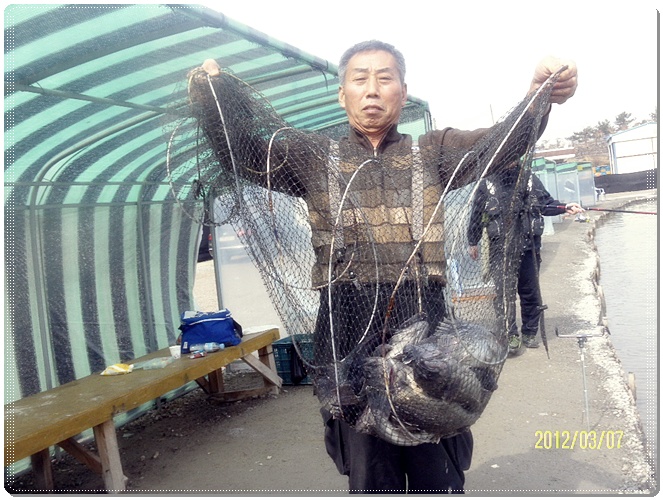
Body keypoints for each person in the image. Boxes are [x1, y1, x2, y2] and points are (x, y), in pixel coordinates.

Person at [190, 40, 578, 494]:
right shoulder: (312, 156)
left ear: (403, 92)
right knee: (370, 467)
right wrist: (211, 100)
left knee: (436, 455)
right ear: (343, 94)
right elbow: (243, 154)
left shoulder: (433, 151)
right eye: (360, 79)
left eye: (384, 78)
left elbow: (501, 142)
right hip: (345, 321)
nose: (372, 89)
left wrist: (538, 95)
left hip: (426, 318)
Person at [467, 163, 583, 355]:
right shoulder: (487, 184)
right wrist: (473, 241)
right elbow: (477, 215)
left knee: (530, 293)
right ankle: (510, 334)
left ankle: (529, 332)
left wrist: (564, 207)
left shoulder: (529, 179)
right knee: (504, 295)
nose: (511, 162)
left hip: (529, 248)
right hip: (500, 251)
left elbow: (546, 204)